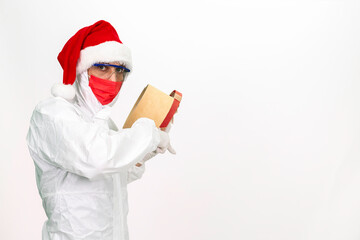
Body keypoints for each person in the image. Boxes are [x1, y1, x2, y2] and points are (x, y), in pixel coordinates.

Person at [26, 20, 175, 240]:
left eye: (120, 71)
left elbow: (116, 173)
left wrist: (146, 152)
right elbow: (97, 158)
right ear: (82, 69)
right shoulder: (52, 114)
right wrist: (149, 132)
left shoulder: (104, 124)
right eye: (103, 67)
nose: (113, 80)